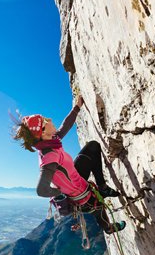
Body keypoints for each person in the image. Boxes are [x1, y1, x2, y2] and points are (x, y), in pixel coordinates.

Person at [13, 95, 125, 234]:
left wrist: (76, 108)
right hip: (79, 195)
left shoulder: (51, 142)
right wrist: (63, 192)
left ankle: (102, 187)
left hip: (75, 178)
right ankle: (108, 228)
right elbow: (41, 190)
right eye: (46, 121)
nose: (50, 120)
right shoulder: (49, 156)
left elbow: (64, 127)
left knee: (93, 147)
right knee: (98, 208)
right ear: (42, 132)